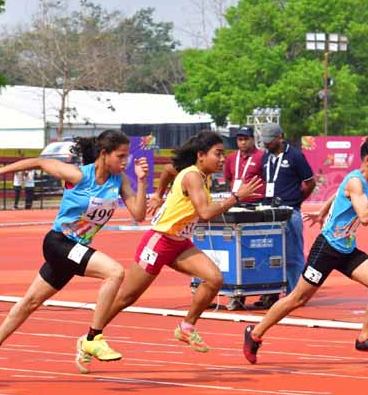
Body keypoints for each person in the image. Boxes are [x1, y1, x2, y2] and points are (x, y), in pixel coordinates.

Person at [0, 130, 148, 382]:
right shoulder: (79, 175)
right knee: (114, 272)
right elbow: (40, 162)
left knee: (30, 302)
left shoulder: (119, 181)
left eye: (127, 156)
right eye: (120, 156)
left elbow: (139, 214)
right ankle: (93, 337)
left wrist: (142, 182)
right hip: (58, 243)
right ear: (104, 154)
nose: (125, 161)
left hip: (74, 250)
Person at [89, 131, 261, 368]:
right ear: (201, 155)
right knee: (126, 297)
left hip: (179, 243)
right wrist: (236, 197)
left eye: (223, 154)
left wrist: (159, 195)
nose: (222, 159)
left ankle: (186, 326)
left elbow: (170, 170)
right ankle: (91, 336)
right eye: (218, 154)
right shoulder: (192, 176)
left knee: (214, 278)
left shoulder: (201, 174)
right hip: (159, 241)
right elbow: (205, 213)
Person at [243, 137, 368, 363]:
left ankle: (365, 337)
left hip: (346, 249)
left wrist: (322, 212)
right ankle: (255, 333)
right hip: (327, 249)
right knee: (297, 299)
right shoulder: (356, 182)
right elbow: (366, 217)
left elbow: (337, 193)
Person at [257, 124, 314, 308]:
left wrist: (296, 200)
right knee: (268, 254)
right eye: (264, 141)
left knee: (292, 255)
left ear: (280, 137)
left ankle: (295, 295)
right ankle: (270, 293)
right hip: (268, 212)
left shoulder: (295, 156)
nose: (266, 144)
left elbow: (310, 182)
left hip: (289, 212)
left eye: (269, 141)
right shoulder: (266, 157)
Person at [222, 126, 266, 310]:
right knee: (237, 251)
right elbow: (228, 179)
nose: (242, 142)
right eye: (239, 139)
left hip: (257, 206)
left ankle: (268, 292)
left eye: (245, 139)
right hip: (236, 206)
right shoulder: (231, 158)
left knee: (262, 249)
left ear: (252, 139)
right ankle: (237, 293)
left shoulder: (262, 156)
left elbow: (268, 178)